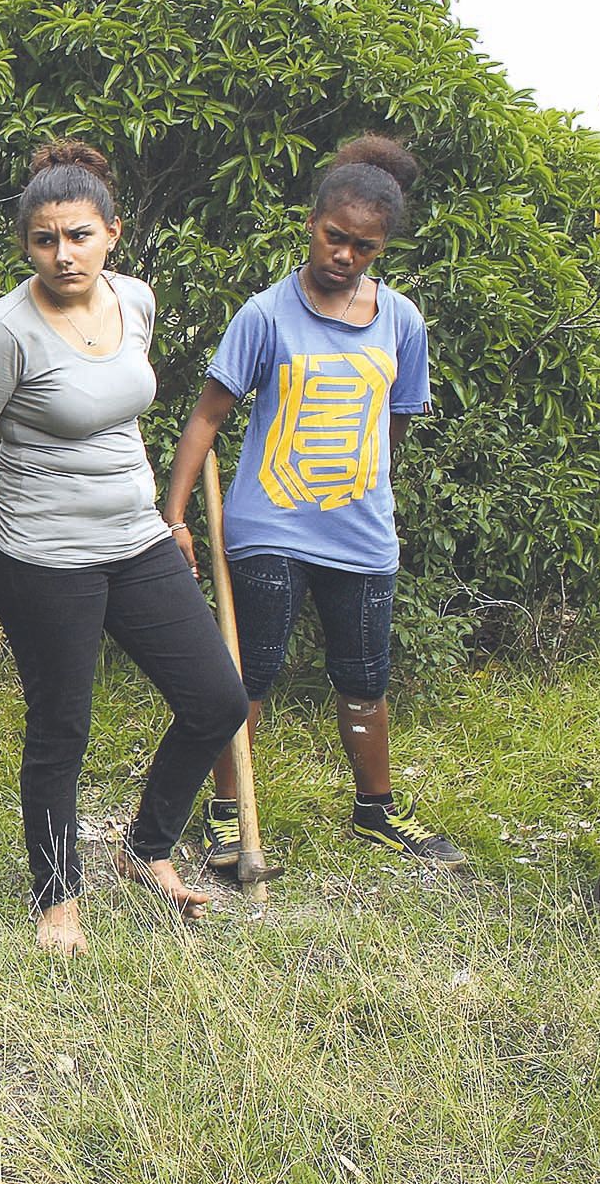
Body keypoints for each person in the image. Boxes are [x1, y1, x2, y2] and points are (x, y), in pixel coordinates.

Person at [0, 140, 248, 956]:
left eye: (77, 235)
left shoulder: (134, 301)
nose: (61, 253)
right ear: (25, 246)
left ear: (112, 230)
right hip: (41, 555)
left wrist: (163, 514)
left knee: (215, 700)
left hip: (135, 537)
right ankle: (56, 898)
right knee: (60, 728)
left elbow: (118, 411)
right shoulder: (5, 334)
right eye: (43, 239)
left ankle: (144, 850)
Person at [163, 134, 465, 873]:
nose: (344, 255)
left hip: (360, 533)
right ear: (312, 224)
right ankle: (227, 816)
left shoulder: (402, 322)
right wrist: (171, 516)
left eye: (363, 247)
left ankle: (376, 811)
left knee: (364, 676)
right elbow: (206, 416)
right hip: (268, 526)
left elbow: (391, 424)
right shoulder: (265, 315)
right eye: (335, 238)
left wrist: (369, 495)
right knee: (250, 675)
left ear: (380, 247)